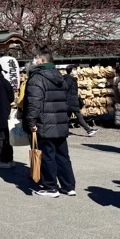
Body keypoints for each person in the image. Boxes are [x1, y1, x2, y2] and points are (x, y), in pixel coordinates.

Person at [26, 48, 76, 198]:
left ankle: (50, 187)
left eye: (36, 58)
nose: (34, 61)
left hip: (45, 122)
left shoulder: (37, 78)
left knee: (47, 155)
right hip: (60, 121)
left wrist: (31, 121)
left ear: (41, 61)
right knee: (63, 155)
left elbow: (34, 103)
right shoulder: (59, 76)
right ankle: (69, 186)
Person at [63, 65, 97, 137]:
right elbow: (65, 89)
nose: (77, 71)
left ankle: (64, 132)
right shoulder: (69, 79)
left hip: (71, 101)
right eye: (75, 70)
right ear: (71, 71)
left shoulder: (70, 79)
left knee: (67, 118)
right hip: (71, 101)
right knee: (79, 116)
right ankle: (88, 130)